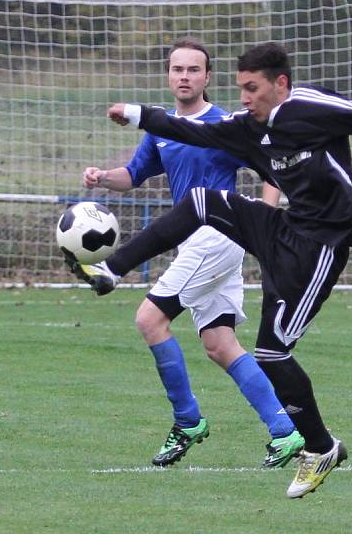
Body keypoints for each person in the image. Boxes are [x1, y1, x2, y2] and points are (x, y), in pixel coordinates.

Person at [69, 42, 352, 498]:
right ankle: (110, 271)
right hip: (283, 228)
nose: (246, 98)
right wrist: (136, 114)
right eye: (242, 89)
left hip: (323, 244)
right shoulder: (244, 127)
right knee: (201, 202)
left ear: (281, 84)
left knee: (273, 353)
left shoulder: (312, 107)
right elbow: (185, 131)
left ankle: (320, 447)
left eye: (253, 88)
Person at [81, 38, 304, 469]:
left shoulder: (225, 124)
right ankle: (285, 432)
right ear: (169, 75)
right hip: (197, 242)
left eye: (193, 70)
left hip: (218, 236)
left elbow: (272, 167)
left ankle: (187, 420)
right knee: (220, 345)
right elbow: (133, 175)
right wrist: (102, 177)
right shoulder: (162, 130)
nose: (184, 76)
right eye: (177, 69)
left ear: (207, 77)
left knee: (149, 319)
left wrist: (264, 214)